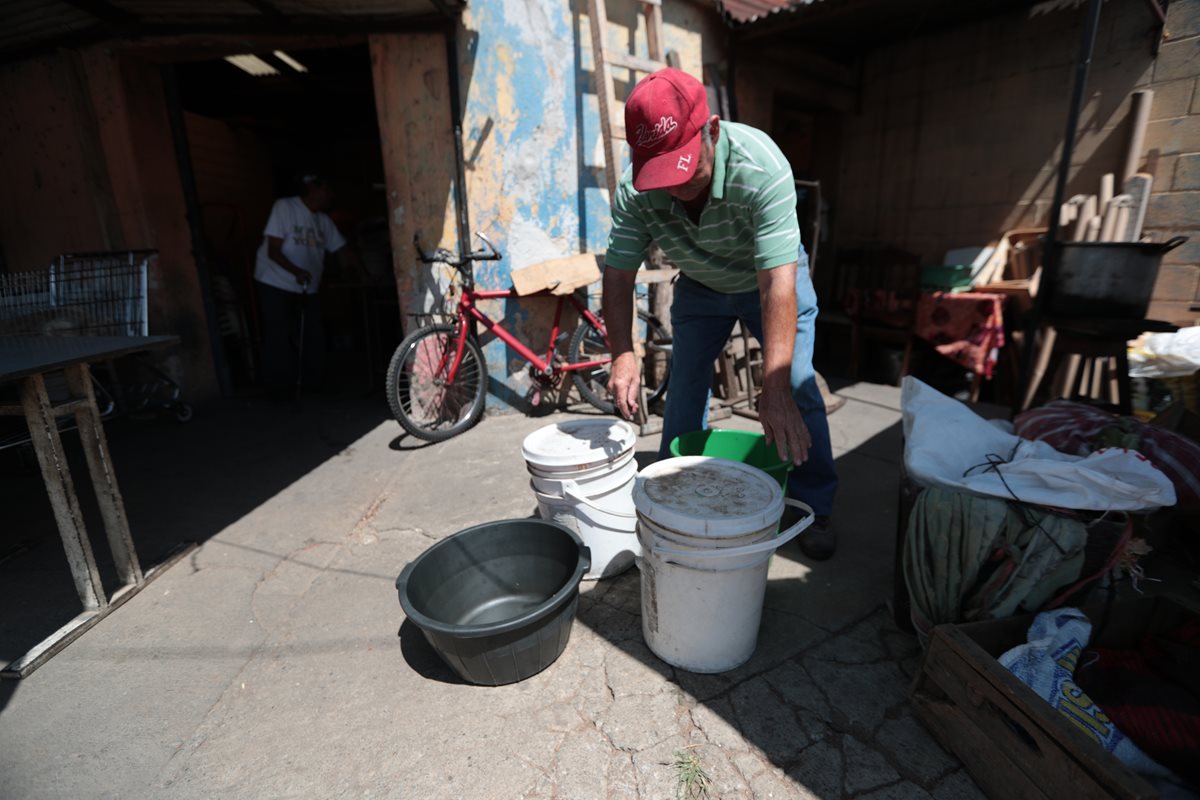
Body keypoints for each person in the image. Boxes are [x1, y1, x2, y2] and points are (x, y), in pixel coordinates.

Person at [601, 68, 839, 559]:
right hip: (701, 288)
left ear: (711, 129)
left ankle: (814, 505)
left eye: (686, 168)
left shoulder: (762, 166)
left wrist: (771, 388)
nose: (677, 189)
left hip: (769, 281)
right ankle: (673, 496)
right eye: (662, 176)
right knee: (684, 392)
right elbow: (619, 275)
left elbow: (777, 282)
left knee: (795, 389)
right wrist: (622, 353)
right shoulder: (635, 191)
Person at [253, 174, 353, 401]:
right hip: (275, 281)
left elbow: (341, 250)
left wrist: (362, 271)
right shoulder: (285, 207)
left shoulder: (323, 221)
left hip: (307, 287)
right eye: (327, 190)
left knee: (313, 334)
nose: (331, 196)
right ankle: (279, 390)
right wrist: (296, 271)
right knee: (279, 335)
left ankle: (313, 383)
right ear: (313, 189)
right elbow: (273, 251)